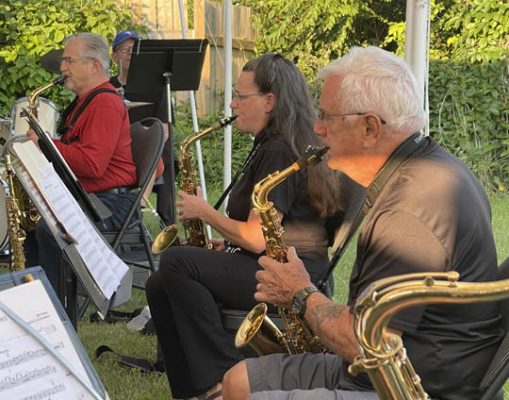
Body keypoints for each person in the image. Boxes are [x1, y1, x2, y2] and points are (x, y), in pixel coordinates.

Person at [222, 46, 503, 400]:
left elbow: (363, 345)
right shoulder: (434, 168)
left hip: (404, 387)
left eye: (326, 116)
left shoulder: (410, 211)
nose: (316, 128)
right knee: (236, 381)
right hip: (381, 371)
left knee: (246, 394)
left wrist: (300, 292)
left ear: (370, 126)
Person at [145, 53, 344, 400]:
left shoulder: (281, 150)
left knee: (177, 262)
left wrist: (205, 212)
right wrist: (225, 246)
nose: (233, 104)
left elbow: (255, 238)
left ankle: (222, 381)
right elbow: (258, 236)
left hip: (288, 274)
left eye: (240, 96)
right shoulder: (270, 144)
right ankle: (191, 392)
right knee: (159, 282)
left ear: (269, 102)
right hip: (267, 262)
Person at [25, 32, 137, 308]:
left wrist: (47, 145)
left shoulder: (105, 103)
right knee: (31, 229)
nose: (62, 68)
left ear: (94, 65)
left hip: (111, 202)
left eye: (69, 61)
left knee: (51, 231)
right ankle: (38, 307)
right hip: (95, 196)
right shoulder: (86, 103)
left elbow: (92, 165)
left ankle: (59, 314)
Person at [109, 29, 175, 225]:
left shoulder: (157, 86)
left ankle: (160, 223)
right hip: (117, 151)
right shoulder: (107, 87)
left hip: (150, 150)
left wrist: (146, 151)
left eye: (136, 49)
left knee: (164, 155)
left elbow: (164, 129)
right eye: (125, 49)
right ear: (114, 56)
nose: (131, 53)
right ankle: (127, 216)